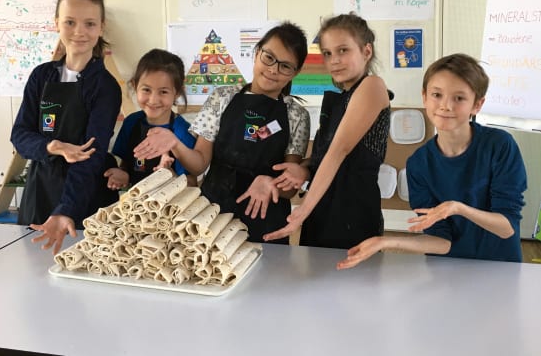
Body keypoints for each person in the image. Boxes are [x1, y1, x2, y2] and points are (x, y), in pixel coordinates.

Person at [336, 53, 527, 269]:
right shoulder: (418, 163)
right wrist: (385, 241)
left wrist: (458, 208)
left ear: (477, 105)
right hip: (448, 270)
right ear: (424, 97)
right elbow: (442, 242)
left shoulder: (500, 145)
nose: (446, 106)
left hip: (501, 268)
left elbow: (506, 227)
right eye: (437, 95)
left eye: (459, 98)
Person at [133, 22, 310, 243]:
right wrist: (175, 143)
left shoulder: (297, 115)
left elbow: (289, 186)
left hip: (265, 217)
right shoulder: (221, 97)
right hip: (213, 211)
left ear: (297, 71)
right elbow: (199, 164)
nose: (273, 69)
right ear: (257, 52)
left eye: (285, 66)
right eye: (269, 57)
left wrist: (271, 183)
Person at [264, 13, 392, 249]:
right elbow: (324, 155)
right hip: (322, 209)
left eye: (343, 50)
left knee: (350, 282)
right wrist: (303, 169)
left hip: (353, 213)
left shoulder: (372, 86)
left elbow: (339, 151)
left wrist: (301, 212)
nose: (334, 60)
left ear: (366, 51)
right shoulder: (339, 99)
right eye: (327, 53)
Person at [11, 0, 121, 254]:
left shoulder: (105, 87)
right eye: (70, 22)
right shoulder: (41, 76)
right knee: (34, 271)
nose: (79, 31)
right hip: (40, 189)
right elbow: (20, 136)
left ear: (101, 27)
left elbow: (91, 155)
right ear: (56, 23)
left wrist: (66, 209)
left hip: (86, 194)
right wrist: (53, 146)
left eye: (89, 23)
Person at [105, 49, 197, 189]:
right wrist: (122, 175)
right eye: (146, 90)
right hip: (135, 206)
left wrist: (171, 176)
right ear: (135, 86)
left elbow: (192, 183)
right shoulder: (131, 122)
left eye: (163, 92)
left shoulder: (183, 132)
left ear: (177, 92)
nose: (153, 100)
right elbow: (127, 165)